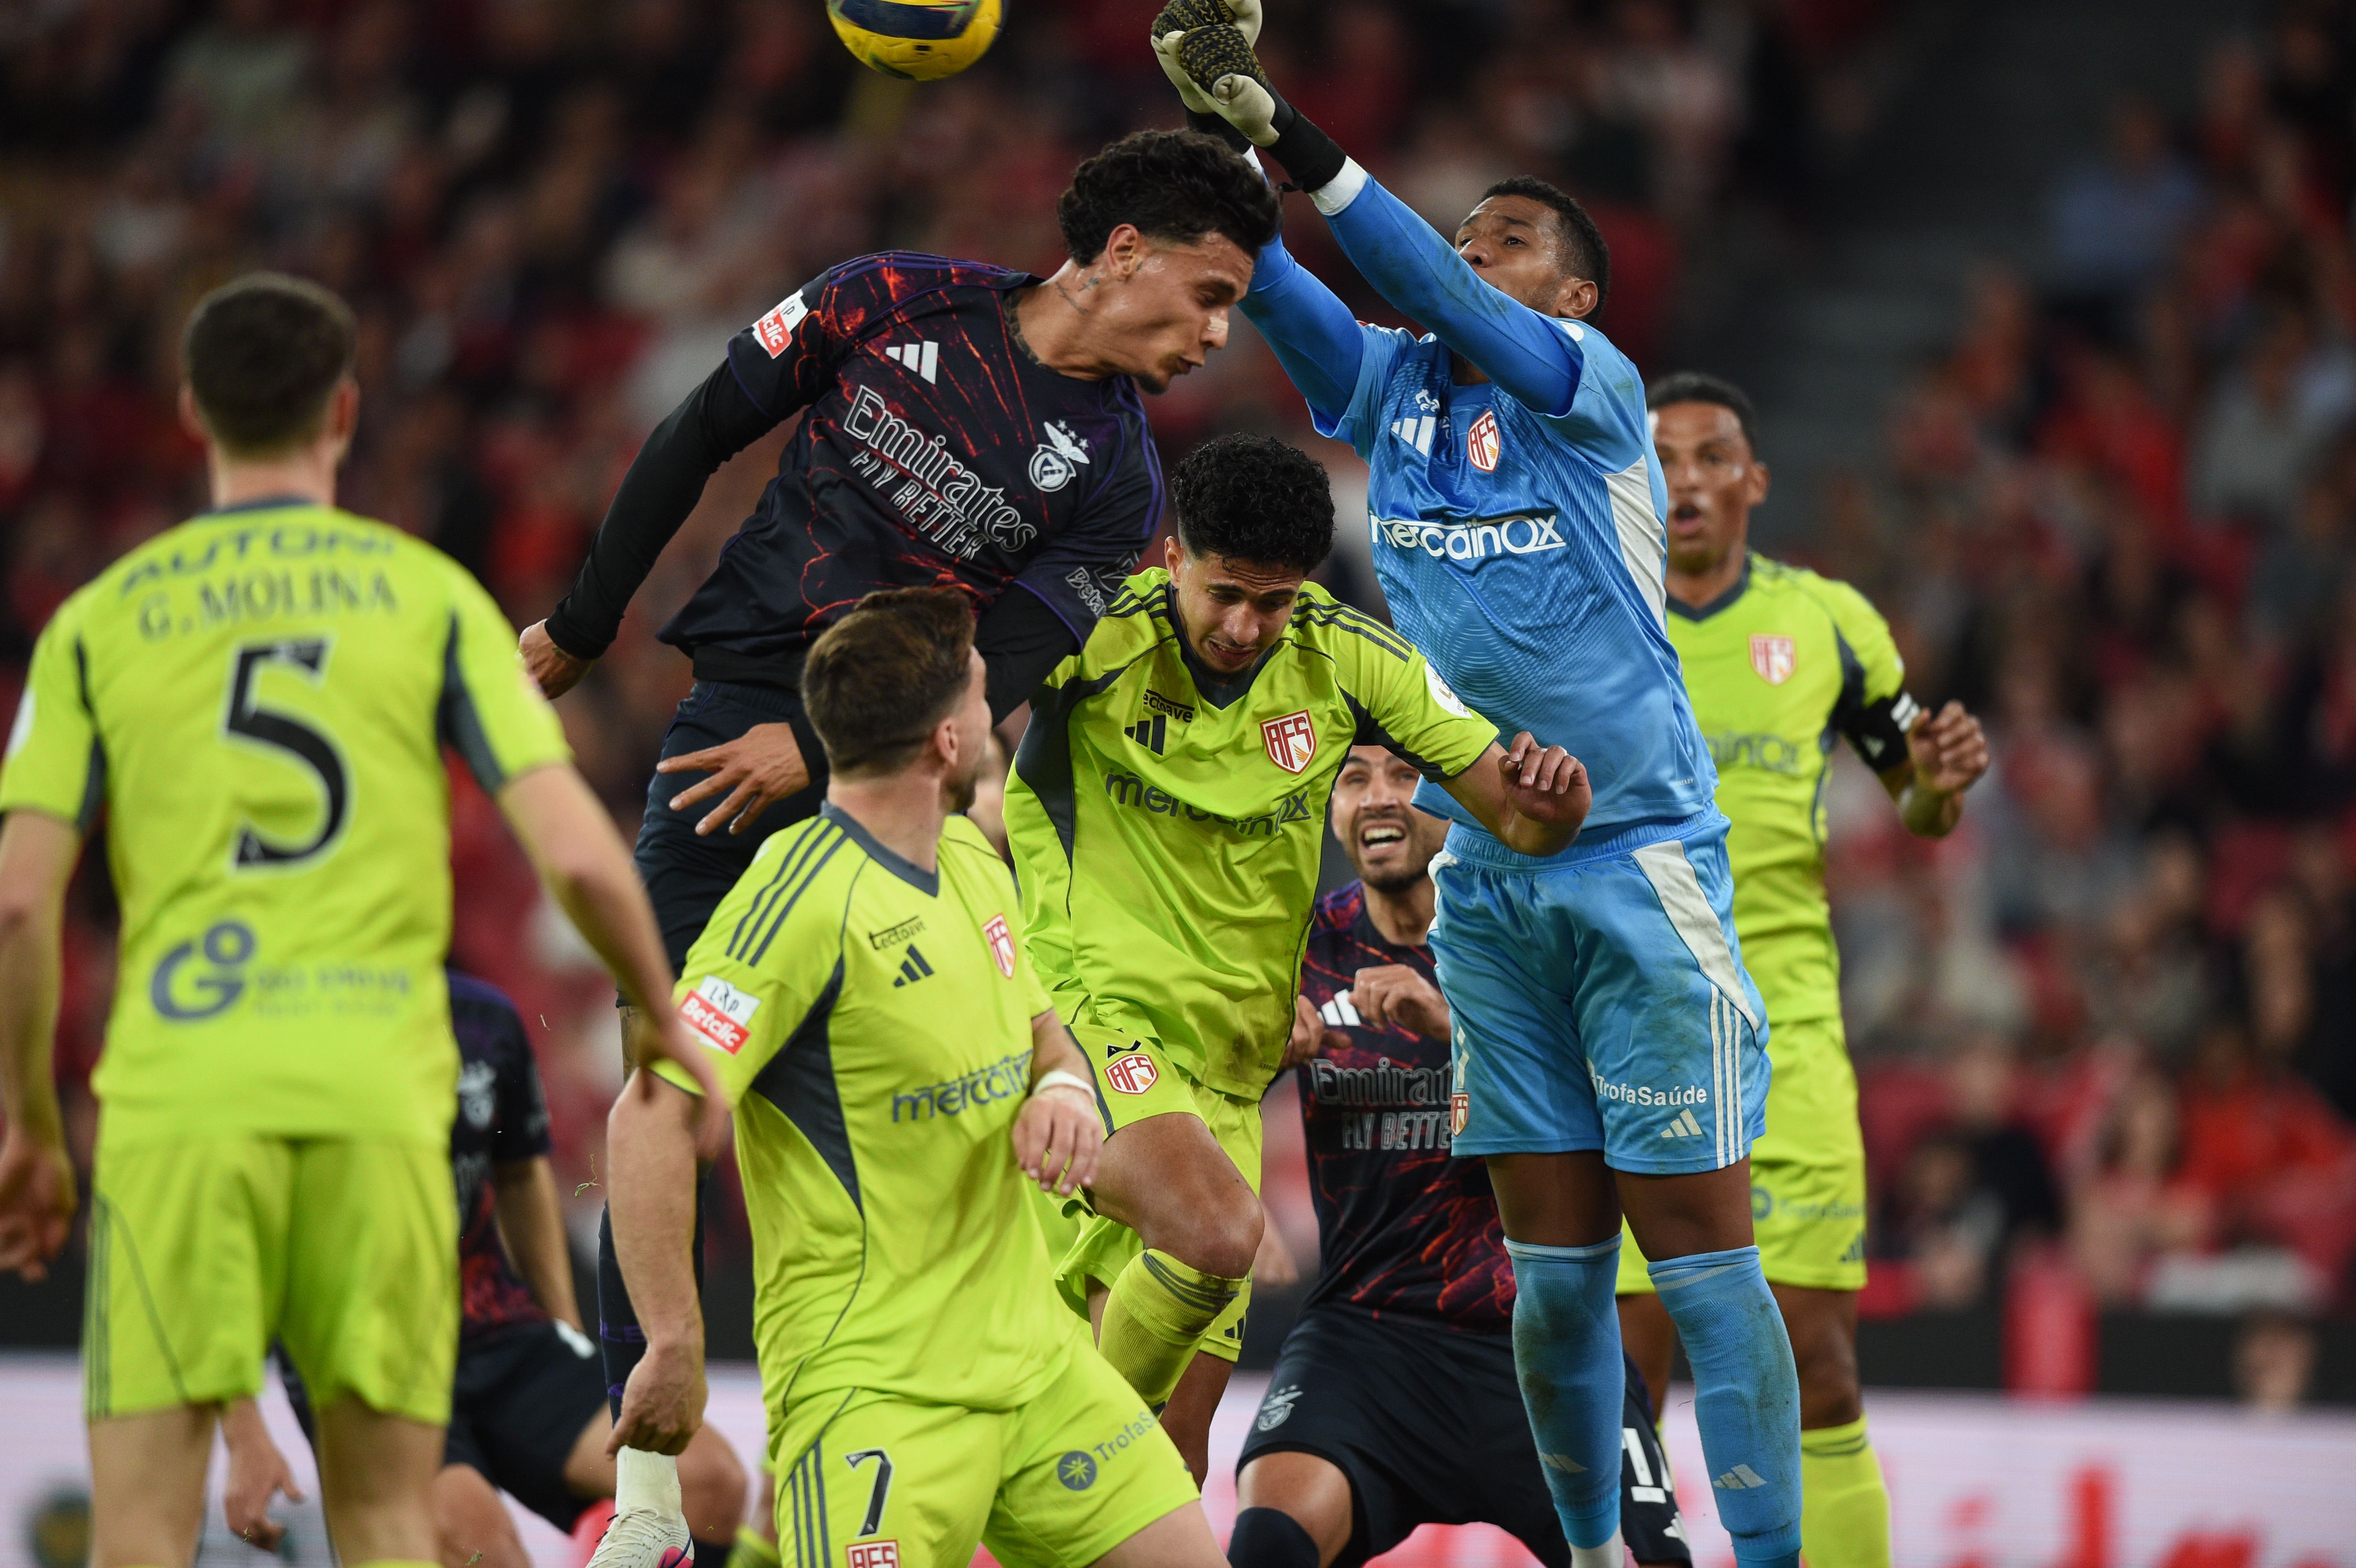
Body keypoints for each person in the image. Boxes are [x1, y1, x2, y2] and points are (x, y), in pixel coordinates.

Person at [515, 129, 1279, 1565]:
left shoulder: (1116, 481)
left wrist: (812, 755)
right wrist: (582, 619)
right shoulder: (889, 301)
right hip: (727, 732)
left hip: (905, 769)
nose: (1215, 333)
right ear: (1122, 253)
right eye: (1205, 291)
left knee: (983, 1070)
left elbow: (1011, 658)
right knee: (660, 1091)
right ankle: (657, 1496)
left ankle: (1010, 1361)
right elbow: (697, 431)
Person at [1159, 12, 1803, 1565]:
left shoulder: (1585, 384)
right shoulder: (1389, 396)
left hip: (1637, 861)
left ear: (1568, 292)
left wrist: (1296, 129)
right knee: (1558, 1277)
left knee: (1703, 1265)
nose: (1465, 250)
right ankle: (1587, 1556)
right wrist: (1229, 145)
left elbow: (1421, 284)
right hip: (1488, 871)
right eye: (1461, 233)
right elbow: (1284, 285)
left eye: (1503, 237)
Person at [0, 274, 721, 1568]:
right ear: (342, 411)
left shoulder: (98, 623)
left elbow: (15, 903)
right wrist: (664, 1019)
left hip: (179, 1102)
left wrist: (33, 1129)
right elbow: (574, 852)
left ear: (190, 415)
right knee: (393, 1522)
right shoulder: (429, 600)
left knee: (141, 1535)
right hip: (381, 1103)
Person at [1004, 432, 1591, 1480]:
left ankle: (1045, 1476)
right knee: (1216, 1232)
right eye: (1223, 592)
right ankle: (1036, 1463)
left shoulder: (1348, 656)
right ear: (1172, 558)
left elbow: (1513, 807)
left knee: (1166, 1476)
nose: (1243, 626)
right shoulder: (1090, 634)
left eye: (1271, 602)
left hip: (1231, 1065)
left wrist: (1556, 811)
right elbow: (948, 710)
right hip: (1090, 1019)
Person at [604, 588, 1226, 1568]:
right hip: (877, 1391)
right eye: (984, 694)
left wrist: (1061, 1092)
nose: (996, 713)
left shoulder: (973, 862)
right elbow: (648, 1113)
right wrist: (673, 1337)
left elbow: (1045, 1038)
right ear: (947, 738)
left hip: (1039, 1367)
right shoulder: (795, 901)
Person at [1630, 373, 1990, 1568]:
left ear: (1753, 480)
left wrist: (1938, 778)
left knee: (1817, 1359)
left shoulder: (1831, 621)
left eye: (1709, 455)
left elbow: (1919, 806)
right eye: (1662, 456)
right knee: (1623, 1372)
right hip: (1625, 1023)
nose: (1684, 476)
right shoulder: (1592, 609)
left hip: (1785, 1026)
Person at [1233, 743, 1690, 1568]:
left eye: (1404, 777)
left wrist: (1456, 1028)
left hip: (1542, 1333)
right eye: (1352, 778)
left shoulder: (1536, 927)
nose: (1377, 799)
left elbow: (1629, 1102)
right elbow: (1193, 1083)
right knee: (1267, 1544)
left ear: (1458, 788)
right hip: (1366, 1340)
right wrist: (1233, 1181)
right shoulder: (1297, 950)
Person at [217, 972, 748, 1568]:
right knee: (486, 1553)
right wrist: (243, 1433)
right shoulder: (281, 1035)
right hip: (366, 1360)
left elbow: (520, 1172)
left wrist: (564, 1329)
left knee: (708, 1484)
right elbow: (222, 1230)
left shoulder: (484, 1022)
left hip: (498, 1332)